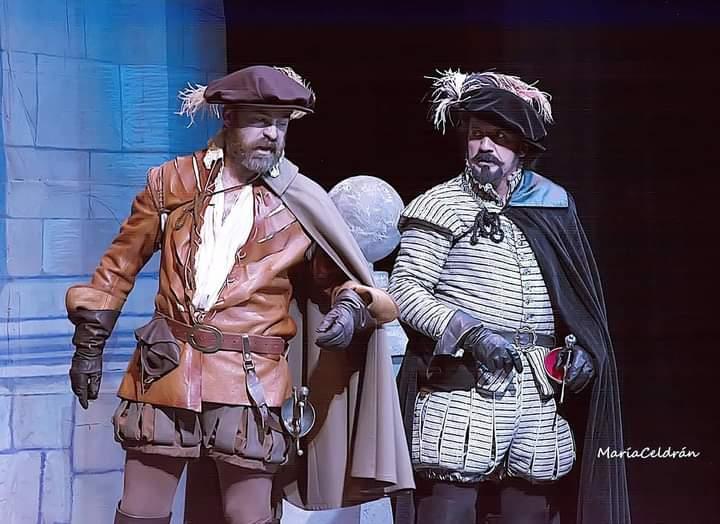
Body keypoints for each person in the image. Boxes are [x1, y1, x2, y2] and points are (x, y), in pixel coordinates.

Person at [65, 65, 413, 524]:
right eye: (260, 121)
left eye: (282, 124)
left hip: (250, 380)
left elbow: (337, 279)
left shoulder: (297, 201)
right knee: (140, 510)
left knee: (247, 513)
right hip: (166, 366)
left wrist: (349, 309)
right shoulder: (172, 182)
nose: (272, 134)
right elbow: (119, 264)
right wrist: (89, 343)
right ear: (228, 119)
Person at [390, 70, 630, 524]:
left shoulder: (549, 205)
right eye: (477, 134)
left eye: (499, 137)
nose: (485, 146)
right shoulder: (440, 205)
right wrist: (472, 333)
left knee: (531, 508)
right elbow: (405, 290)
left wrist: (583, 353)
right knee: (449, 505)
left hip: (537, 387)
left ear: (521, 148)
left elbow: (573, 302)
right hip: (465, 384)